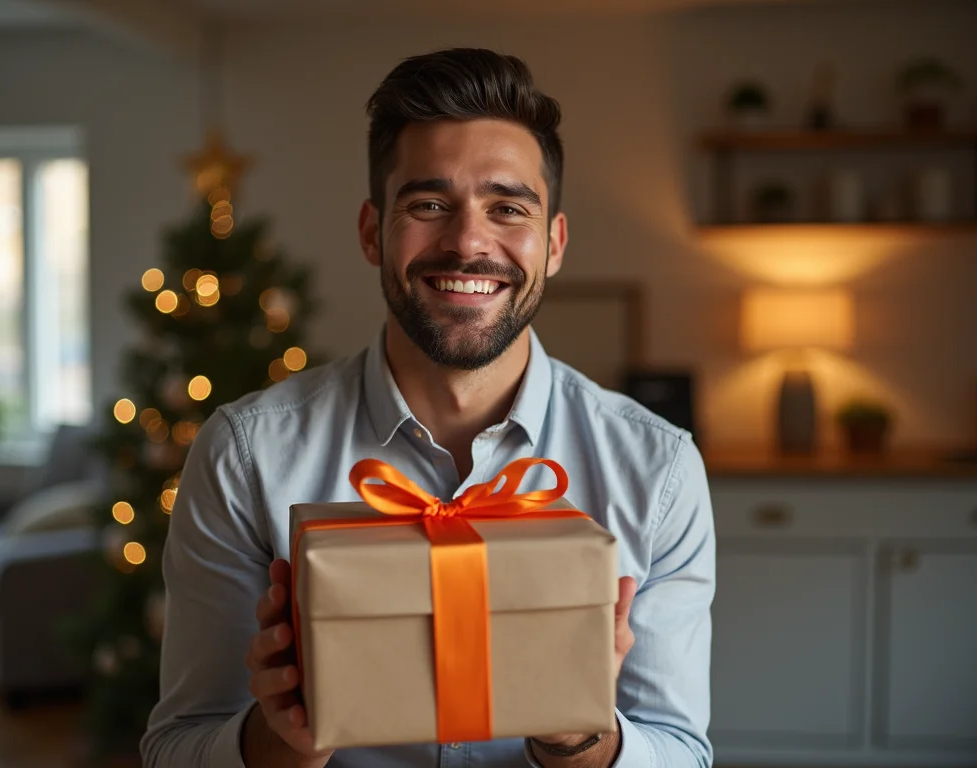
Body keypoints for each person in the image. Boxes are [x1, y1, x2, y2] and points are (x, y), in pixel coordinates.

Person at [141, 47, 714, 768]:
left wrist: (579, 738)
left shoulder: (658, 469)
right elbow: (176, 749)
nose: (469, 241)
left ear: (554, 243)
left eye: (508, 208)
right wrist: (280, 741)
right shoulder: (244, 454)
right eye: (428, 205)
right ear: (372, 232)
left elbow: (682, 752)